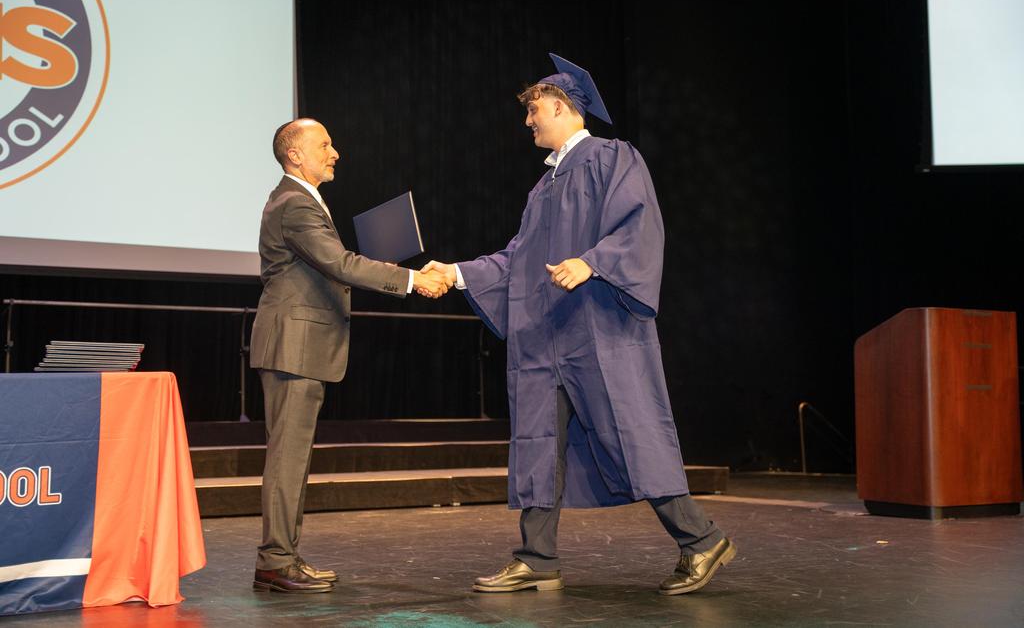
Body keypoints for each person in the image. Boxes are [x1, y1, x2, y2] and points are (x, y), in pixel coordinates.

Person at [422, 55, 735, 595]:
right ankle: (536, 557)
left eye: (534, 110)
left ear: (562, 106)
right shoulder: (542, 188)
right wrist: (457, 273)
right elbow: (517, 259)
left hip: (599, 330)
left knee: (628, 432)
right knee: (538, 442)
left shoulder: (613, 158)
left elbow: (641, 224)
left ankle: (702, 540)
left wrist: (592, 262)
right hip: (545, 337)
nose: (528, 121)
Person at [250, 118, 452, 593]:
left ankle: (283, 557)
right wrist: (412, 279)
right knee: (288, 459)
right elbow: (339, 263)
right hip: (293, 346)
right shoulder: (293, 203)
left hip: (300, 346)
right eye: (324, 145)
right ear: (295, 155)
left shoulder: (302, 200)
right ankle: (275, 561)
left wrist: (383, 267)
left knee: (294, 458)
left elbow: (331, 266)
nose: (335, 152)